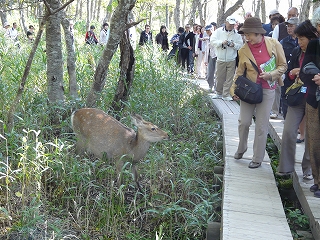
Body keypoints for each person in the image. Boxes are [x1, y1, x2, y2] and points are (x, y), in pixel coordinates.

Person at [230, 17, 287, 168]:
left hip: (268, 89)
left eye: (248, 34)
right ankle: (241, 148)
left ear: (257, 33)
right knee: (244, 122)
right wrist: (233, 89)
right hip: (249, 90)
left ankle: (257, 158)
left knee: (261, 126)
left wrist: (271, 75)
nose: (246, 37)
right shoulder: (243, 49)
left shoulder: (274, 44)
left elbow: (283, 65)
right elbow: (239, 72)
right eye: (245, 35)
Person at [276, 20, 318, 179]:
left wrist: (303, 72)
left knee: (311, 137)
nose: (299, 42)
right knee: (288, 132)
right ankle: (285, 168)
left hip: (314, 99)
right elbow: (288, 76)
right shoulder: (296, 51)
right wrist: (292, 74)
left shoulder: (316, 51)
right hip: (297, 98)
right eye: (298, 39)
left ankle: (308, 170)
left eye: (302, 39)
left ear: (311, 37)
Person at [299, 7, 320, 197]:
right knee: (314, 141)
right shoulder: (314, 45)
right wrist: (316, 75)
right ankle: (317, 179)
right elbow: (305, 68)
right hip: (314, 99)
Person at [211, 16, 243, 101]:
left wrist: (233, 45)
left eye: (233, 24)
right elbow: (212, 41)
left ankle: (226, 94)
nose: (231, 26)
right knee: (219, 76)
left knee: (229, 77)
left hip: (231, 58)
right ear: (226, 22)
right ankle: (218, 92)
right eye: (230, 24)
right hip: (220, 58)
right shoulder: (218, 32)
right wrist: (222, 42)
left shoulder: (237, 34)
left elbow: (240, 45)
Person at [278, 17, 299, 119]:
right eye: (288, 26)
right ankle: (286, 119)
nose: (288, 28)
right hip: (286, 74)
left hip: (299, 75)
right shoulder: (283, 42)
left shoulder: (303, 41)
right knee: (285, 96)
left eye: (291, 26)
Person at [204, 24, 217, 92]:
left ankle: (216, 88)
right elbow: (207, 49)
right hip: (211, 56)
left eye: (209, 30)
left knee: (217, 73)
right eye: (206, 31)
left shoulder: (216, 36)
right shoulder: (208, 38)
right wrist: (206, 60)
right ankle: (210, 86)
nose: (207, 32)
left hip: (217, 56)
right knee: (209, 73)